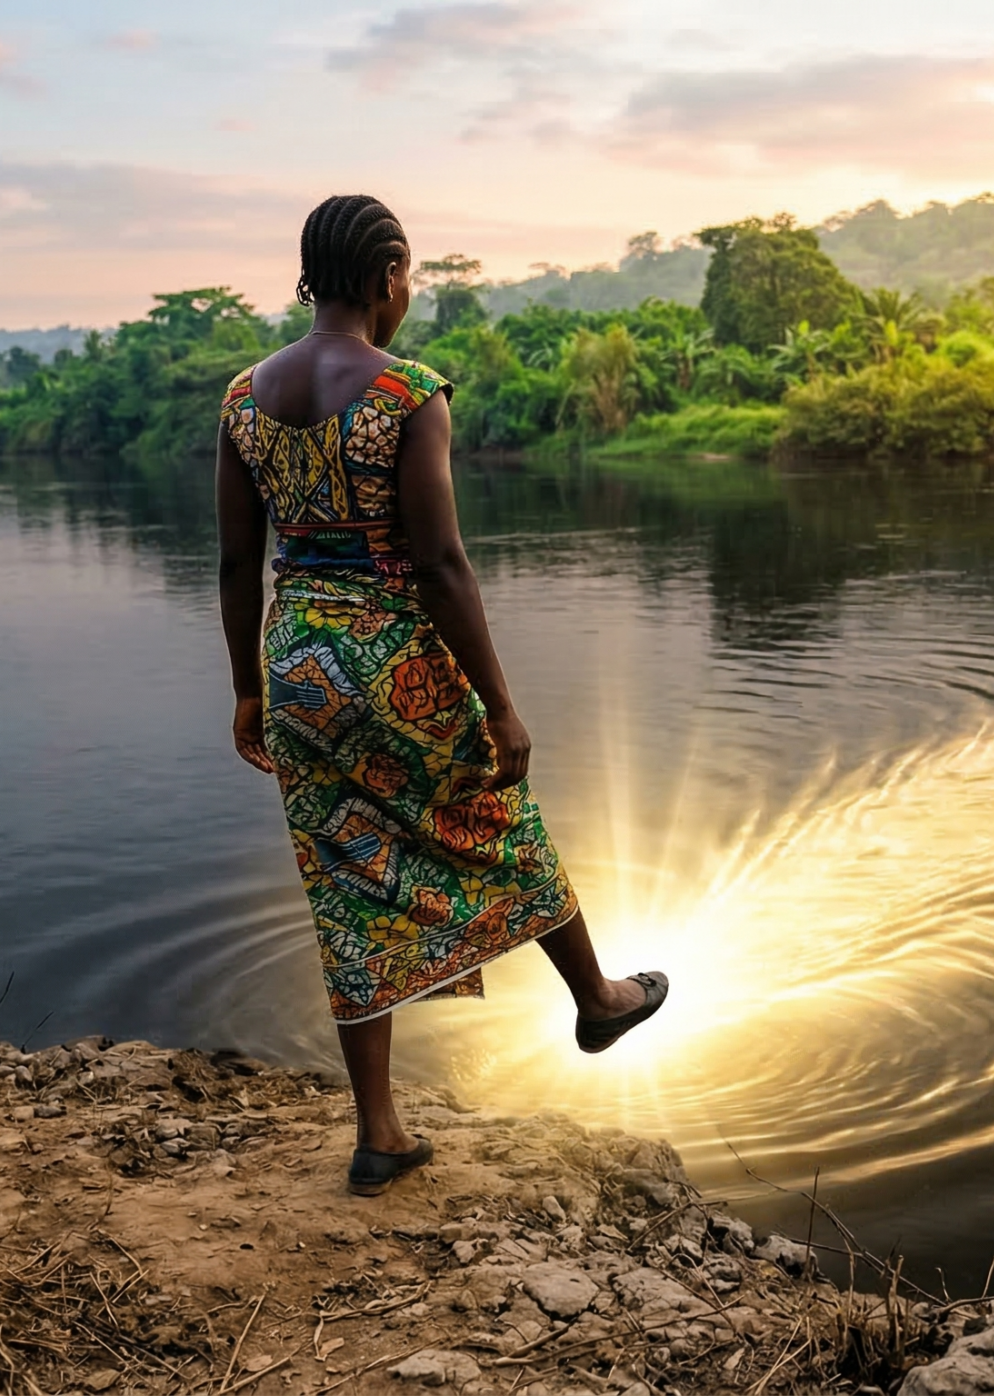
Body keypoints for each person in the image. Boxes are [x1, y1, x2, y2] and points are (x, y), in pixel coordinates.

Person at [217, 194, 666, 1196]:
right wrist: (500, 705)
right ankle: (594, 996)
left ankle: (379, 1130)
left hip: (298, 666)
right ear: (385, 280)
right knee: (492, 812)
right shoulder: (409, 392)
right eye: (407, 276)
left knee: (343, 883)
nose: (408, 293)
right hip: (395, 660)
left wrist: (248, 689)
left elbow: (236, 560)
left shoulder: (245, 397)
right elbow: (443, 563)